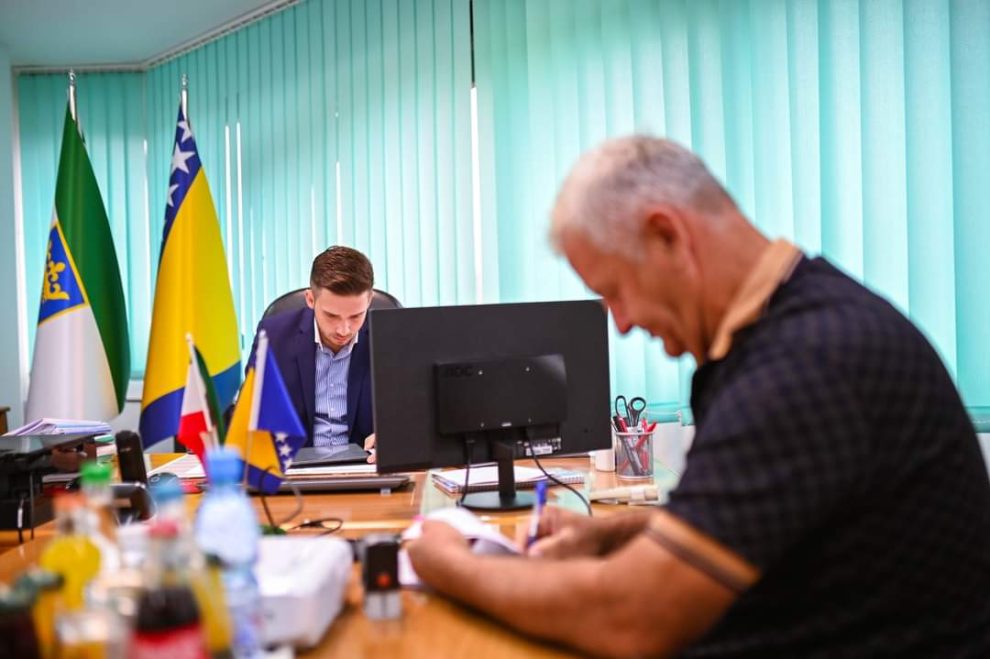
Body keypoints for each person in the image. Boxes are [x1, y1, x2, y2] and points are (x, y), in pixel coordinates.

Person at [407, 136, 990, 657]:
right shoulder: (792, 325)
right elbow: (750, 526)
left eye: (615, 291)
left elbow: (631, 617)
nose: (622, 323)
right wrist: (607, 534)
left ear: (668, 235)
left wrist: (448, 564)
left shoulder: (806, 364)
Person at [251, 246, 377, 459]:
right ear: (310, 299)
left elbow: (412, 413)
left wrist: (393, 438)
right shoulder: (273, 337)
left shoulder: (389, 337)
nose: (344, 330)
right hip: (294, 465)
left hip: (367, 465)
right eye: (332, 316)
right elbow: (250, 412)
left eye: (355, 316)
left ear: (370, 300)